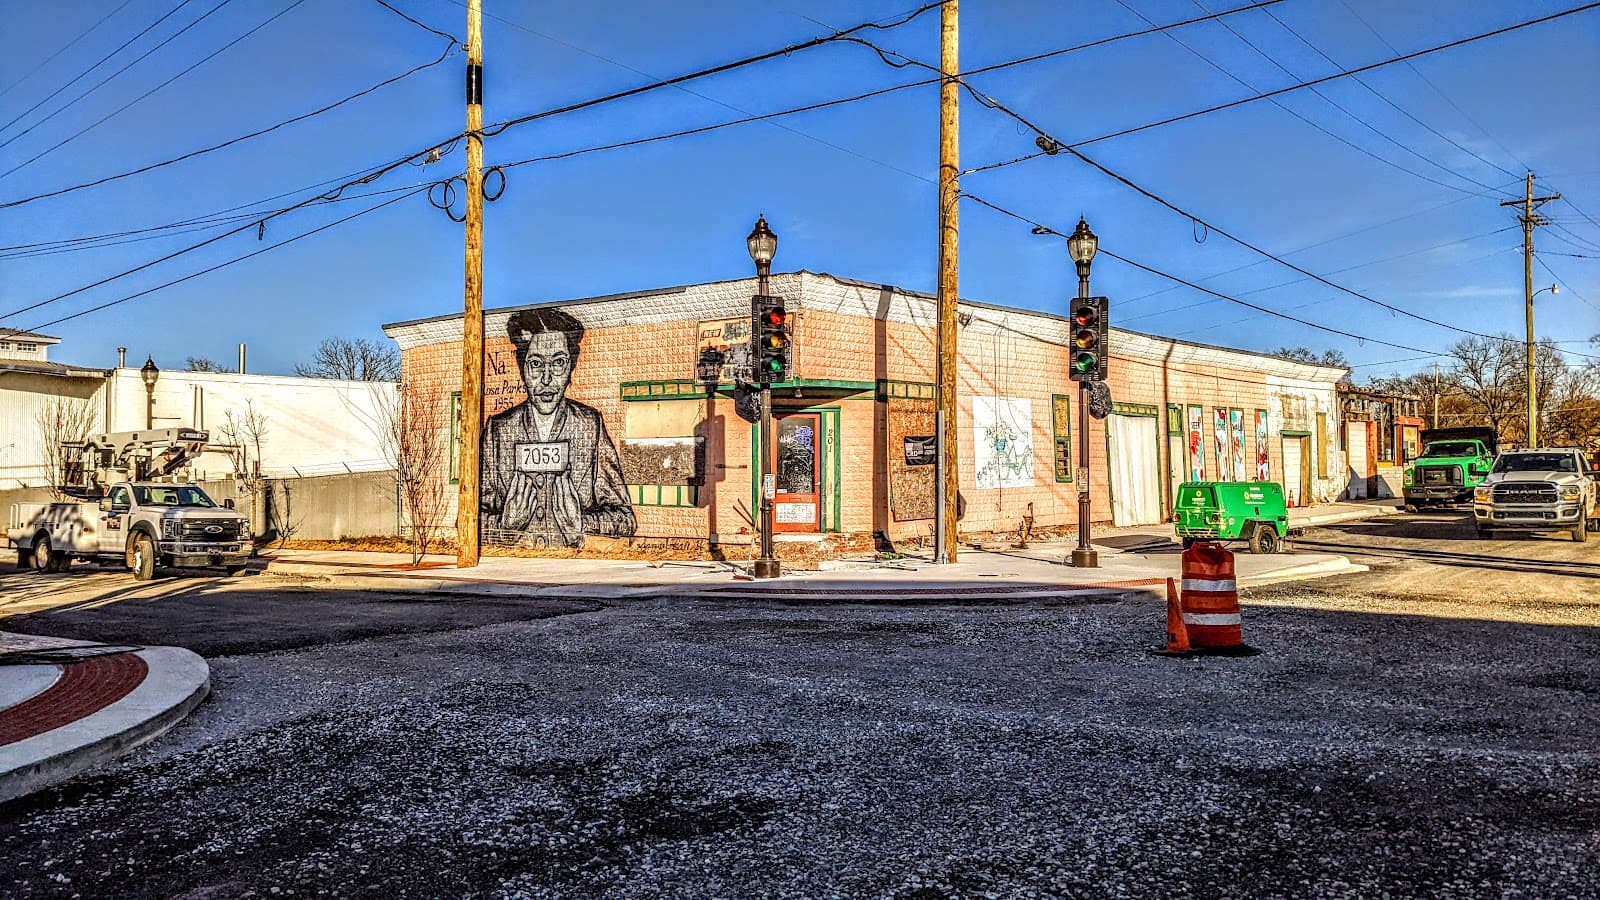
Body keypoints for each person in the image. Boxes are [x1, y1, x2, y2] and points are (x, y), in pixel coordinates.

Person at [481, 307, 635, 547]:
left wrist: (582, 524)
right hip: (513, 572)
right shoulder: (497, 431)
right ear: (522, 368)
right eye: (535, 364)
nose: (546, 379)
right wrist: (505, 526)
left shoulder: (590, 426)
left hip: (570, 574)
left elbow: (625, 520)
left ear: (571, 368)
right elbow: (468, 520)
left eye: (558, 363)